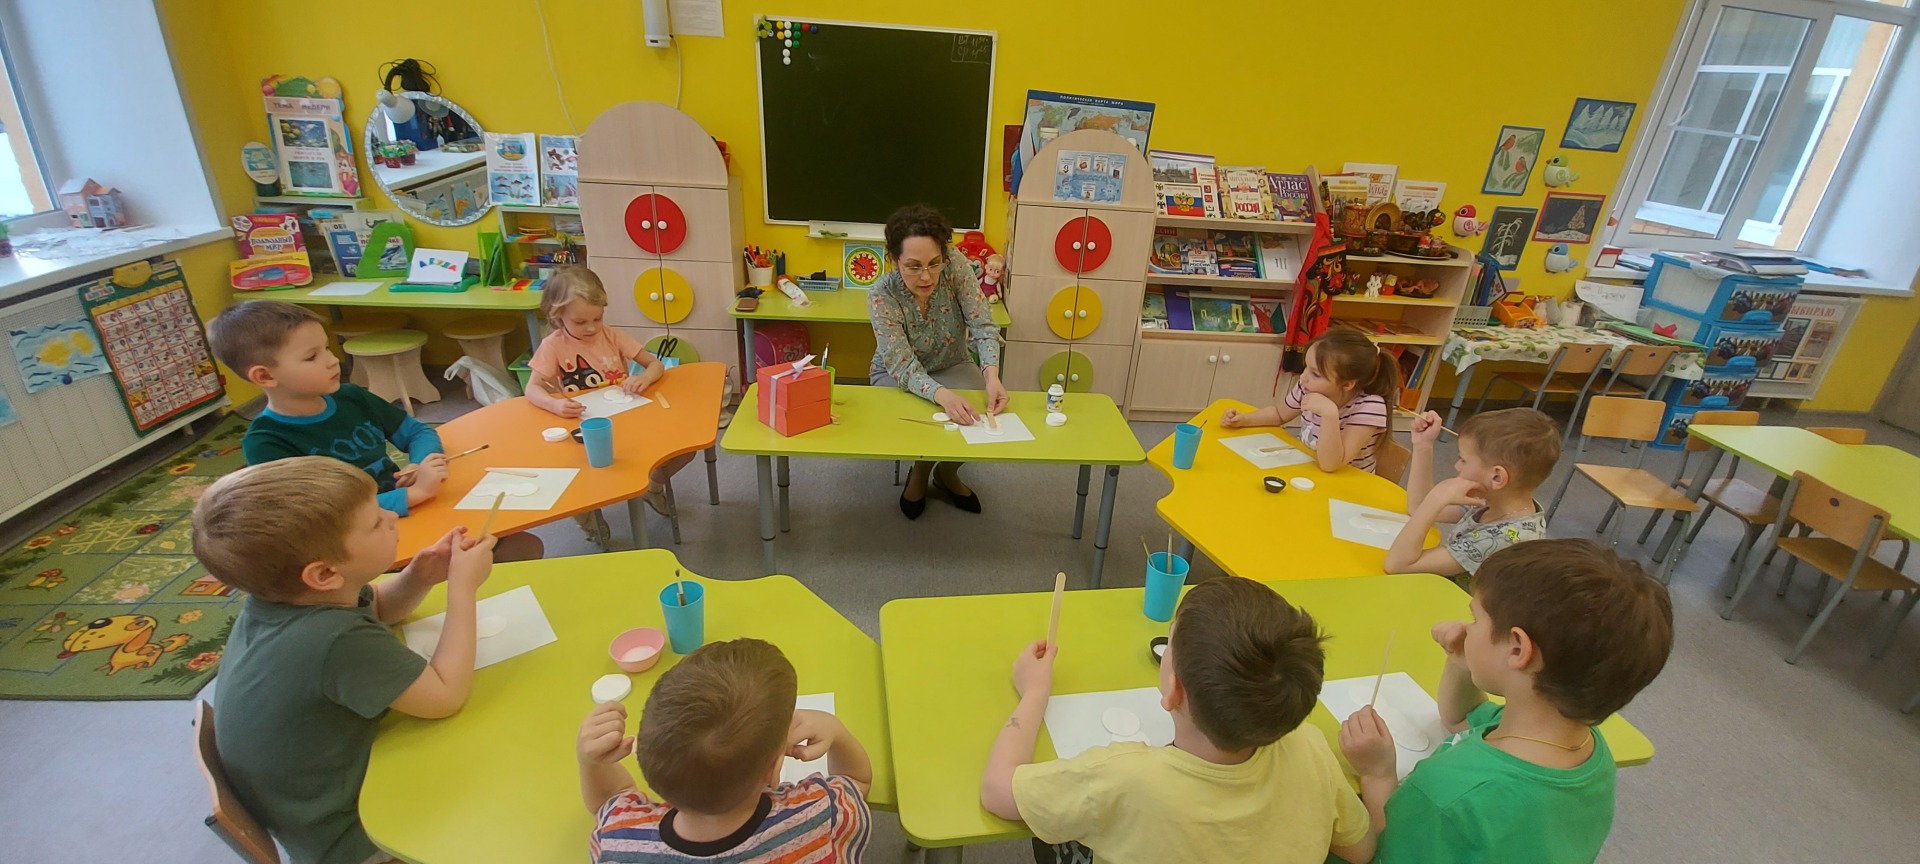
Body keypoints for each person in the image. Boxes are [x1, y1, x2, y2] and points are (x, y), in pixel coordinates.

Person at [195, 456, 497, 864]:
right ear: (323, 574)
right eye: (374, 522)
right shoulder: (332, 638)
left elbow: (379, 608)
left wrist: (420, 575)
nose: (392, 516)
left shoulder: (286, 599)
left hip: (309, 813)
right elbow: (445, 696)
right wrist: (463, 589)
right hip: (353, 836)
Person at [979, 577, 1375, 864]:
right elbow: (1361, 849)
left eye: (1170, 641)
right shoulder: (1310, 746)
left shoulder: (1122, 777)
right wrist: (1378, 776)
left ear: (1174, 690)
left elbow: (996, 791)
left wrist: (1034, 693)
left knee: (1052, 838)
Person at [1339, 539, 1674, 863]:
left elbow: (1384, 851)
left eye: (1475, 619)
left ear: (1517, 649)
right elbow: (1461, 719)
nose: (1467, 629)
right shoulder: (1582, 748)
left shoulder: (1448, 793)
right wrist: (1462, 662)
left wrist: (1378, 776)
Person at [209, 300, 542, 561]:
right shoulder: (267, 442)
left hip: (407, 513)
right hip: (356, 544)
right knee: (504, 554)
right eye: (312, 357)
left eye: (327, 348)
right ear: (265, 376)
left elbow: (417, 432)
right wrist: (413, 495)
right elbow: (320, 519)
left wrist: (421, 463)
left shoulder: (351, 397)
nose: (332, 360)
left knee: (524, 545)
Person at [576, 638, 874, 862]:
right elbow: (857, 781)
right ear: (774, 771)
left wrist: (589, 760)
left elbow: (608, 801)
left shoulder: (619, 842)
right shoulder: (819, 814)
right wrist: (836, 730)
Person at [868, 204, 1008, 519]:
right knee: (926, 420)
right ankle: (920, 471)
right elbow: (902, 365)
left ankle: (946, 472)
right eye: (913, 266)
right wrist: (942, 395)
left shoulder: (956, 266)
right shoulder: (881, 294)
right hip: (895, 374)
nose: (927, 276)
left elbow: (983, 326)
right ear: (894, 260)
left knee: (979, 415)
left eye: (934, 263)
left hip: (952, 363)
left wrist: (992, 377)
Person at [527, 265, 691, 518]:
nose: (591, 328)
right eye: (580, 322)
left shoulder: (613, 336)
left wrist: (644, 378)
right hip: (583, 427)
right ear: (557, 315)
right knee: (575, 472)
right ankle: (585, 517)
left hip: (626, 418)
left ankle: (653, 487)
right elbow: (532, 388)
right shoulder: (553, 346)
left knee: (685, 450)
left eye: (597, 318)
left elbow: (655, 364)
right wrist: (555, 404)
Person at [1384, 407, 1558, 582]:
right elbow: (1417, 507)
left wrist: (1436, 498)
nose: (1457, 466)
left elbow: (1397, 565)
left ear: (1497, 477)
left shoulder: (1503, 539)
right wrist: (1423, 446)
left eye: (1463, 460)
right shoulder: (1492, 500)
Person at [1220, 328, 1397, 473]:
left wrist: (1329, 414)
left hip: (1347, 485)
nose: (1303, 377)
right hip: (1308, 468)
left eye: (1315, 374)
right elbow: (1279, 414)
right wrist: (1244, 419)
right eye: (1306, 367)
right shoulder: (1308, 387)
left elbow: (1331, 465)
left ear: (1347, 384)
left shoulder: (1370, 407)